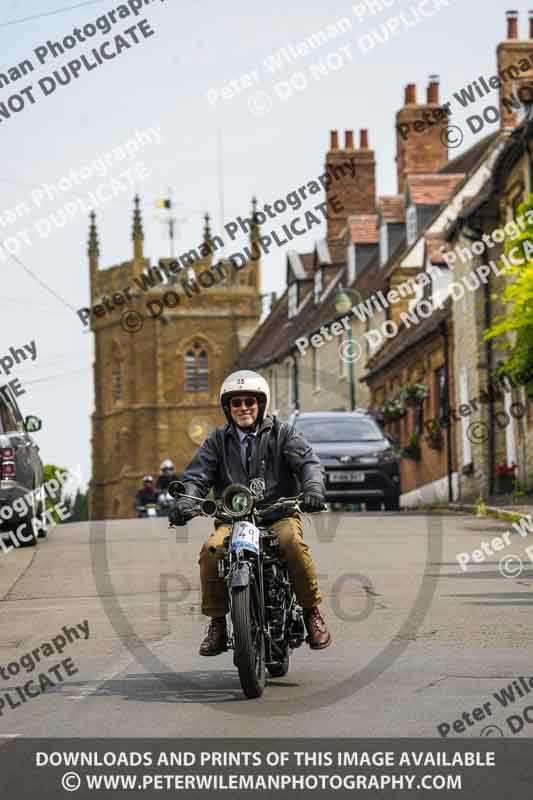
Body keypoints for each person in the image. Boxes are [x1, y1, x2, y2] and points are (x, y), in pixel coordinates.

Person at [169, 369, 332, 656]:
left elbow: (309, 463)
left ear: (260, 404)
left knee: (292, 542)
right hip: (233, 520)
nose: (243, 407)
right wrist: (187, 500)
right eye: (236, 402)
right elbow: (197, 476)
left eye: (249, 401)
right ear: (227, 407)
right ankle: (217, 623)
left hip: (278, 514)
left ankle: (311, 612)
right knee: (211, 550)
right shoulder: (217, 441)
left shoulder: (284, 433)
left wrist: (313, 489)